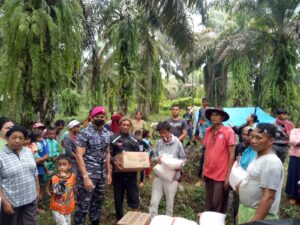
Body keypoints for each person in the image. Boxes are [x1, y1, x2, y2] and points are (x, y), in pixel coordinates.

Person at [238, 123, 284, 223]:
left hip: (259, 217)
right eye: (252, 136)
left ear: (270, 141)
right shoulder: (258, 157)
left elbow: (268, 197)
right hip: (247, 212)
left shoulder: (271, 162)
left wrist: (255, 222)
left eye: (258, 138)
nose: (253, 140)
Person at [74, 106, 111, 225]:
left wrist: (109, 172)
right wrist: (85, 177)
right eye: (97, 117)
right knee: (83, 205)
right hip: (89, 174)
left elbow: (108, 153)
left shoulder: (107, 133)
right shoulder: (85, 133)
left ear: (105, 118)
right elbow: (79, 155)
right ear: (91, 118)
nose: (100, 119)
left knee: (97, 203)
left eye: (102, 117)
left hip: (101, 175)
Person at [0, 125, 39, 225]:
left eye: (21, 138)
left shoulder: (28, 152)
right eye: (14, 137)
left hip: (30, 199)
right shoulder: (1, 156)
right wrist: (5, 202)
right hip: (12, 202)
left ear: (24, 140)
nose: (17, 141)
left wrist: (38, 190)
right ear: (7, 138)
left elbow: (34, 172)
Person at [149, 121, 187, 219]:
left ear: (169, 131)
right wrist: (157, 159)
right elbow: (153, 156)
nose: (162, 135)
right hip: (159, 177)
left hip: (172, 179)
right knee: (153, 202)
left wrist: (178, 164)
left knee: (169, 205)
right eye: (160, 133)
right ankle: (153, 220)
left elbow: (183, 159)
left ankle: (168, 221)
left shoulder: (177, 143)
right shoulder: (159, 143)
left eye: (164, 132)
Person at [202, 107, 235, 213]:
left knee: (218, 204)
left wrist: (228, 176)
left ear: (222, 117)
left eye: (217, 115)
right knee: (209, 202)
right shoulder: (208, 131)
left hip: (221, 175)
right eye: (212, 115)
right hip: (209, 172)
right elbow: (206, 151)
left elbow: (232, 154)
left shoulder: (228, 132)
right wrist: (203, 170)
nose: (214, 117)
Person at [110, 117, 140, 220]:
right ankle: (120, 219)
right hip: (118, 173)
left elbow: (139, 156)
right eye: (124, 125)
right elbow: (109, 154)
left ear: (130, 126)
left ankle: (135, 219)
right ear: (120, 125)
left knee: (134, 196)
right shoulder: (113, 138)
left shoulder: (135, 139)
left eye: (128, 125)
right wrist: (114, 162)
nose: (126, 127)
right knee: (118, 198)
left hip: (131, 174)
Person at [50, 155, 76, 225]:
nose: (62, 167)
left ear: (69, 165)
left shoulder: (73, 176)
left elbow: (70, 189)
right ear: (56, 166)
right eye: (59, 165)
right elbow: (57, 192)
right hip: (57, 208)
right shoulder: (55, 178)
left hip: (68, 207)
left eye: (64, 164)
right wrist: (62, 180)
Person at [285, 128, 300, 205]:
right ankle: (294, 196)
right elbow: (293, 141)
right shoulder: (294, 131)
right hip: (295, 157)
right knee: (295, 176)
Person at [45, 127, 60, 195]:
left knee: (53, 174)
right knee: (46, 175)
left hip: (54, 160)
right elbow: (43, 151)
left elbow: (57, 151)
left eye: (53, 134)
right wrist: (46, 157)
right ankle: (46, 188)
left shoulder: (56, 142)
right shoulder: (45, 142)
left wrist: (56, 156)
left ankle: (50, 188)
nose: (52, 135)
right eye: (50, 134)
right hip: (47, 161)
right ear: (47, 134)